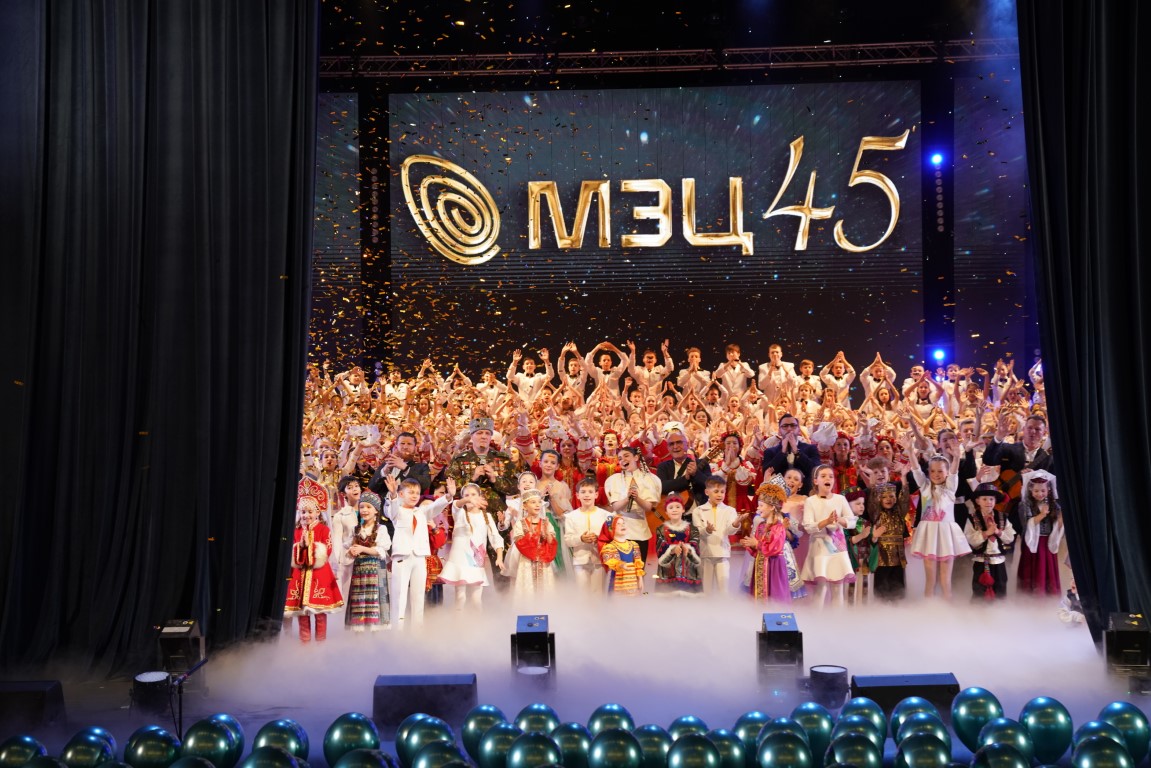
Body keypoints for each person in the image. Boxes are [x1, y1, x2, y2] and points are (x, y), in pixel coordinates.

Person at [906, 433, 972, 599]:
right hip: (929, 534)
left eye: (940, 471)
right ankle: (929, 609)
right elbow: (916, 470)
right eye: (933, 471)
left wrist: (956, 458)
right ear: (928, 472)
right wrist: (910, 452)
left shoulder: (950, 488)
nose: (936, 474)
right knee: (930, 580)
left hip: (945, 535)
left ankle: (947, 608)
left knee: (945, 579)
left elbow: (955, 473)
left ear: (946, 472)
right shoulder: (925, 487)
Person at [382, 475, 451, 626]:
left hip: (419, 557)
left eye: (417, 493)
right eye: (411, 492)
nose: (414, 496)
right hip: (402, 557)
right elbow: (391, 511)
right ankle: (397, 631)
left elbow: (435, 506)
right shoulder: (396, 511)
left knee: (418, 596)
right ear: (401, 494)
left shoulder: (422, 512)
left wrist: (448, 496)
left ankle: (416, 631)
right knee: (399, 596)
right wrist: (393, 495)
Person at [283, 478, 344, 642]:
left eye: (310, 512)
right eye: (303, 512)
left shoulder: (323, 529)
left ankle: (320, 644)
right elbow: (290, 552)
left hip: (319, 575)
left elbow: (327, 550)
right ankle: (305, 645)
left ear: (318, 512)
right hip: (299, 576)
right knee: (302, 613)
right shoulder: (296, 531)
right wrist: (300, 546)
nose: (306, 515)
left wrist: (310, 547)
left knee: (319, 612)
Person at [439, 480, 506, 610]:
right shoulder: (460, 513)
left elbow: (495, 537)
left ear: (480, 497)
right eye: (466, 495)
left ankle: (477, 621)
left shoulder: (486, 516)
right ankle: (459, 621)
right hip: (460, 560)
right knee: (460, 597)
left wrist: (499, 557)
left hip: (476, 560)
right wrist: (467, 500)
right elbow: (456, 504)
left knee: (476, 599)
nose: (470, 497)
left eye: (473, 494)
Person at [800, 464, 857, 607]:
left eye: (831, 476)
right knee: (821, 587)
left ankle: (837, 619)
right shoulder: (810, 501)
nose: (828, 479)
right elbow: (808, 526)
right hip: (819, 548)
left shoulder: (840, 499)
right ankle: (817, 619)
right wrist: (826, 521)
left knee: (838, 588)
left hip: (838, 547)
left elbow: (852, 521)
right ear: (816, 481)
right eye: (823, 476)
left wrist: (840, 520)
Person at [344, 490, 392, 631]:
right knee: (359, 601)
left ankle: (374, 635)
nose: (364, 510)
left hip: (375, 570)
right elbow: (347, 545)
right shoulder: (356, 529)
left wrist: (362, 549)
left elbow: (381, 550)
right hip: (359, 571)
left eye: (368, 507)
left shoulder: (381, 529)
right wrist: (352, 551)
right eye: (362, 507)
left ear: (376, 510)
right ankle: (358, 635)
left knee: (374, 600)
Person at [603, 444, 660, 561]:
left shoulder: (648, 478)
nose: (622, 460)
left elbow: (649, 507)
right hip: (620, 528)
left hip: (640, 529)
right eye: (619, 458)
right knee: (622, 567)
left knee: (639, 566)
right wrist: (626, 499)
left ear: (636, 457)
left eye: (626, 456)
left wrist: (637, 498)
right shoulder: (614, 480)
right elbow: (615, 506)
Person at [1014, 471, 1064, 596]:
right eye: (1036, 491)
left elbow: (1058, 523)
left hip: (1048, 542)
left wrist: (1060, 520)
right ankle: (1031, 595)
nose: (1040, 494)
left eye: (1043, 490)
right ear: (1030, 490)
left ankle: (1048, 595)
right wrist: (1041, 515)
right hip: (1033, 542)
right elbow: (1026, 524)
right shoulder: (1025, 504)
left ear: (1048, 490)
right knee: (1033, 567)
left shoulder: (1054, 505)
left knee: (1047, 567)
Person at [694, 474, 745, 593]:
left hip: (722, 553)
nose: (719, 495)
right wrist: (707, 530)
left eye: (722, 491)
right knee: (706, 590)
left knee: (723, 589)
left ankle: (723, 605)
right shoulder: (698, 511)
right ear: (707, 492)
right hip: (706, 554)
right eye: (716, 491)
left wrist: (736, 523)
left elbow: (729, 531)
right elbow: (698, 533)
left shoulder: (729, 510)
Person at [964, 482, 1015, 600]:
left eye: (991, 499)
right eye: (984, 499)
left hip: (998, 561)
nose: (988, 502)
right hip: (981, 561)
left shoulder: (1002, 517)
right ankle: (979, 610)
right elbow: (970, 539)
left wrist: (997, 532)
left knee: (1001, 586)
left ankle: (999, 609)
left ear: (995, 501)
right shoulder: (972, 518)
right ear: (978, 501)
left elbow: (1010, 538)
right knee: (979, 589)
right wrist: (986, 533)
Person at [741, 483, 791, 603]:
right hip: (760, 563)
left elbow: (774, 548)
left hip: (774, 566)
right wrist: (750, 544)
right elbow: (757, 549)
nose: (758, 508)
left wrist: (757, 544)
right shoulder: (761, 526)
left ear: (772, 507)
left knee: (774, 596)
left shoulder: (778, 527)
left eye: (761, 505)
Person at [563, 478, 609, 593]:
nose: (587, 495)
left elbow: (610, 538)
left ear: (596, 494)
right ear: (577, 495)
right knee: (582, 594)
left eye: (590, 492)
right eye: (583, 492)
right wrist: (581, 539)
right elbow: (568, 540)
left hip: (599, 560)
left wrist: (598, 539)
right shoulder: (571, 516)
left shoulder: (606, 516)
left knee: (598, 593)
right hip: (580, 561)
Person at [867, 482, 910, 601]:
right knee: (882, 587)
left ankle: (898, 607)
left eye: (891, 496)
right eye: (884, 496)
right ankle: (881, 607)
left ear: (896, 498)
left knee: (898, 587)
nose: (888, 499)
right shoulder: (876, 514)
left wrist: (904, 481)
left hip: (898, 556)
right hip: (881, 556)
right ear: (879, 499)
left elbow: (905, 500)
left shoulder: (899, 513)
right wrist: (873, 484)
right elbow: (872, 503)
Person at [512, 489, 559, 596]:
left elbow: (552, 543)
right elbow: (520, 544)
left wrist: (547, 533)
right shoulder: (520, 524)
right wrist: (531, 534)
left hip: (543, 561)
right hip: (527, 563)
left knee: (545, 590)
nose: (537, 505)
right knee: (528, 590)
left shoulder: (545, 522)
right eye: (533, 502)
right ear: (525, 506)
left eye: (539, 502)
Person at [653, 496, 702, 593]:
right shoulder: (661, 529)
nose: (674, 510)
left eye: (678, 507)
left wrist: (688, 549)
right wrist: (672, 550)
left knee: (688, 598)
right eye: (671, 507)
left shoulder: (692, 529)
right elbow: (660, 546)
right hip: (668, 572)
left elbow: (695, 543)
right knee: (668, 597)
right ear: (666, 512)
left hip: (688, 571)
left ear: (683, 509)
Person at [369, 431, 432, 496]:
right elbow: (372, 488)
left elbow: (425, 485)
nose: (405, 447)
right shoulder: (386, 464)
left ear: (415, 447)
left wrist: (406, 468)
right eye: (402, 443)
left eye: (409, 444)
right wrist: (383, 472)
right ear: (396, 445)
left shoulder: (422, 467)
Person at [601, 515, 645, 595]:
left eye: (623, 523)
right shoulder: (609, 547)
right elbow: (609, 561)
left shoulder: (634, 545)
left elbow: (638, 564)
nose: (622, 525)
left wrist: (640, 578)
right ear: (611, 529)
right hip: (617, 583)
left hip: (632, 582)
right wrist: (620, 564)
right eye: (618, 524)